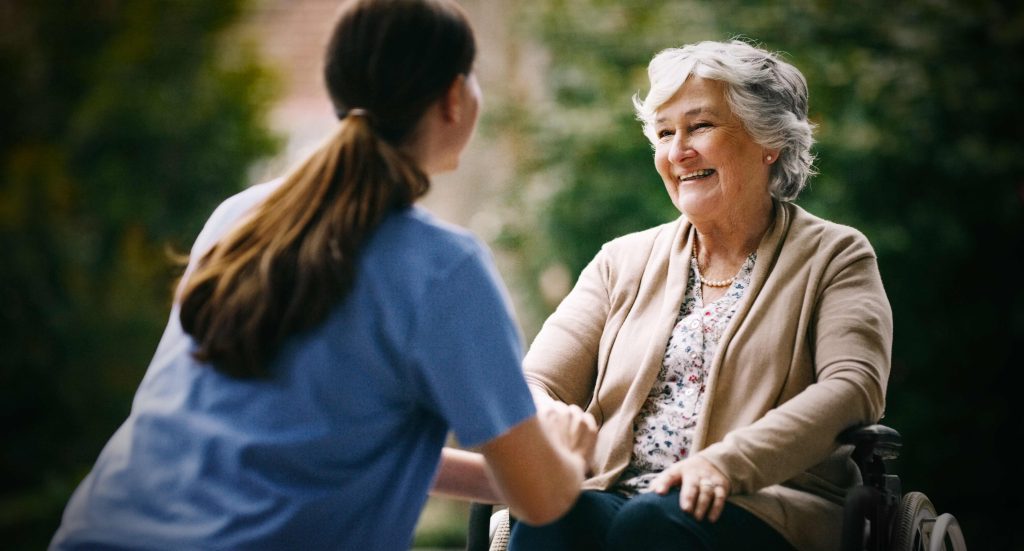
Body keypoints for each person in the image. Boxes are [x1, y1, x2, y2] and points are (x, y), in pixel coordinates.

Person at [49, 1, 596, 549]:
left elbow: (322, 445)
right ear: (454, 98)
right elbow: (543, 501)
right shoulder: (444, 269)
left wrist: (499, 478)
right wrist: (568, 457)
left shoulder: (240, 218)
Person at [507, 39, 893, 551]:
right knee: (551, 517)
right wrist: (550, 416)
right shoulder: (621, 260)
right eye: (665, 133)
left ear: (767, 140)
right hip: (616, 493)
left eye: (700, 127)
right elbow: (536, 381)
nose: (677, 151)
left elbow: (854, 387)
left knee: (652, 526)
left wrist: (726, 464)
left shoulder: (835, 255)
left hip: (763, 502)